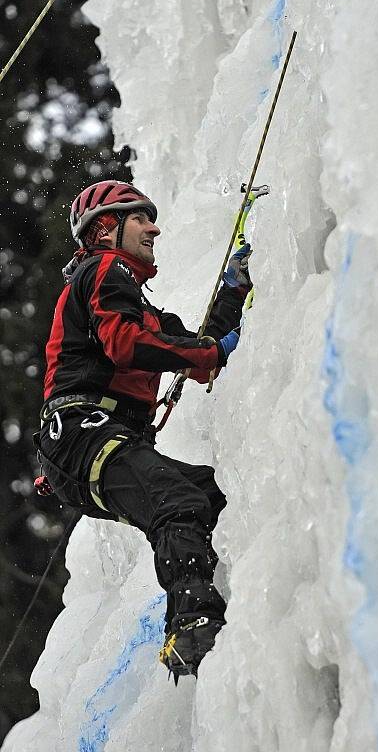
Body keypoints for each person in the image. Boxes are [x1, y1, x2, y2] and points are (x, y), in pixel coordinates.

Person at [34, 180, 252, 680]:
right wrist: (206, 354)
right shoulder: (103, 269)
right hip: (83, 430)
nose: (154, 228)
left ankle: (209, 605)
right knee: (176, 499)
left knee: (205, 494)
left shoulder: (132, 303)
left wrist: (235, 289)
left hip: (80, 446)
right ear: (106, 228)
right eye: (141, 218)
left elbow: (195, 345)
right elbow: (127, 345)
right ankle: (192, 621)